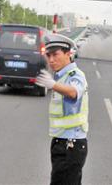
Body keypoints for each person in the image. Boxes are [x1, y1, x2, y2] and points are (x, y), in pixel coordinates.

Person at [35, 34, 89, 185]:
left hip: (71, 146)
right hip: (61, 143)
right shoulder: (61, 76)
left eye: (56, 54)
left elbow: (73, 92)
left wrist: (53, 85)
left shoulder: (75, 75)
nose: (51, 60)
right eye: (48, 55)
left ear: (68, 54)